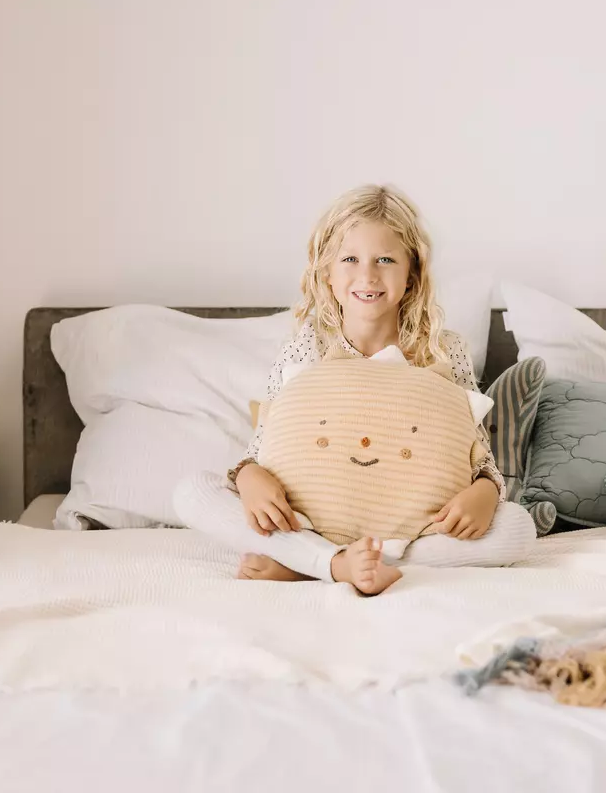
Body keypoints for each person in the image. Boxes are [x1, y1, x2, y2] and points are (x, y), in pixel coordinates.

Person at [173, 184, 534, 594]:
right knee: (194, 492)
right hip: (310, 520)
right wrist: (251, 477)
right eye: (350, 259)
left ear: (412, 274)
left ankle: (310, 562)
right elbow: (264, 447)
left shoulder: (444, 350)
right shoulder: (306, 347)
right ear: (326, 272)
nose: (367, 276)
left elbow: (476, 454)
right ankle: (330, 561)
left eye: (385, 260)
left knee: (517, 528)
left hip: (412, 527)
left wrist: (485, 493)